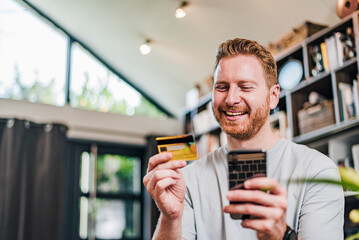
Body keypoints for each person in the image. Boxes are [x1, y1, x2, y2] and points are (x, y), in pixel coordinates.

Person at [143, 38, 344, 240]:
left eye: (245, 87)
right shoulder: (187, 179)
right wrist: (171, 218)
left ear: (273, 96)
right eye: (222, 87)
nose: (231, 99)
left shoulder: (317, 170)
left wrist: (282, 236)